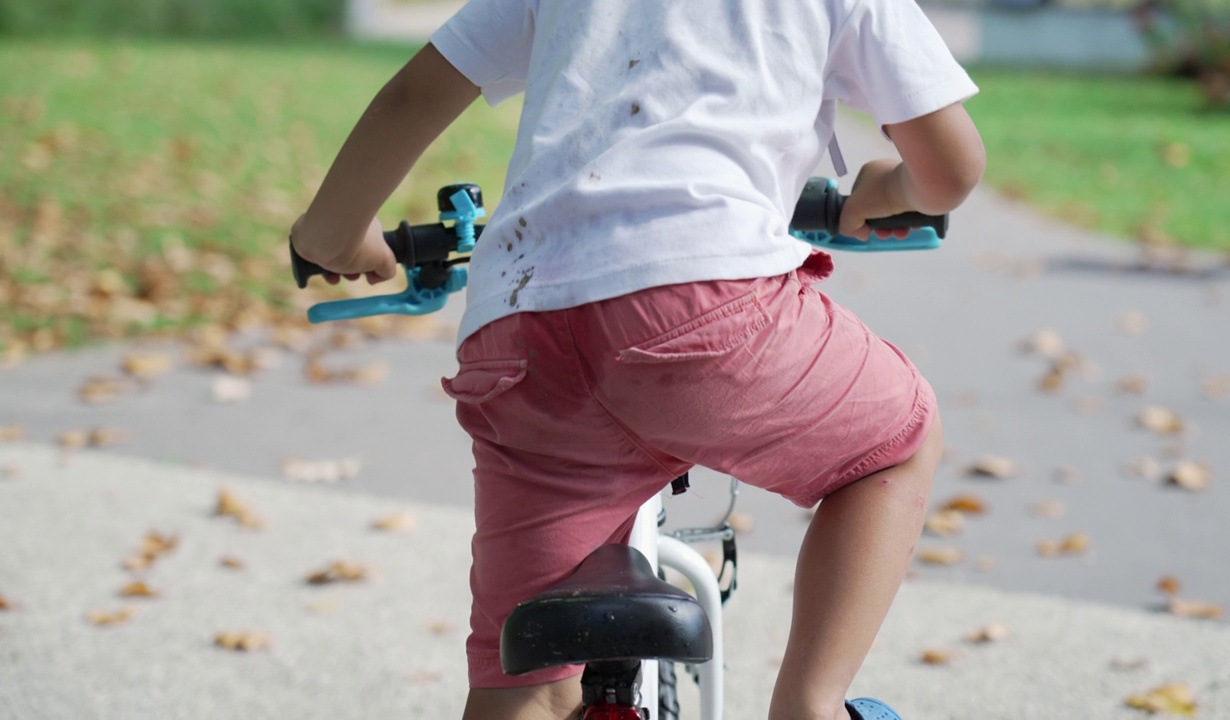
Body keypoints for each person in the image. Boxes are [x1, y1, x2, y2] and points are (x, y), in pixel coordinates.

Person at [290, 0, 986, 717]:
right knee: (896, 445)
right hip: (705, 308)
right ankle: (809, 700)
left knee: (529, 677)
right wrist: (888, 189)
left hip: (521, 330)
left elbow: (415, 94)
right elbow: (953, 166)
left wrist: (336, 229)